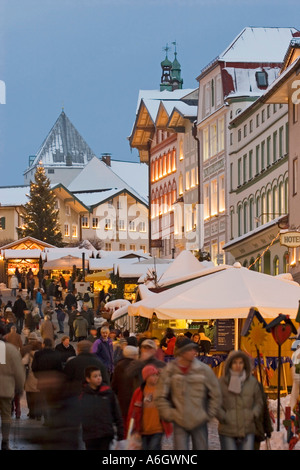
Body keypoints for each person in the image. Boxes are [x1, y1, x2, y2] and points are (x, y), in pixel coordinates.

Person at [154, 337, 221, 450]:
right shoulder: (170, 370)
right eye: (190, 350)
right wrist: (169, 413)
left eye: (194, 349)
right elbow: (160, 395)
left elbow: (215, 393)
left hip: (199, 419)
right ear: (182, 352)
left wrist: (208, 414)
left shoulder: (203, 369)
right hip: (179, 420)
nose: (194, 352)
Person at [217, 349, 264, 451]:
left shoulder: (252, 382)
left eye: (240, 362)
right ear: (229, 364)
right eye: (234, 362)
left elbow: (259, 401)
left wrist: (253, 414)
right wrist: (223, 416)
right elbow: (215, 403)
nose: (238, 365)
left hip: (247, 429)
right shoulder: (222, 383)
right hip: (227, 430)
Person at [127, 364, 173, 450]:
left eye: (156, 375)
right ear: (146, 377)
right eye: (153, 375)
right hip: (143, 429)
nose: (155, 377)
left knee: (154, 447)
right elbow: (132, 411)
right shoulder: (139, 392)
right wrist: (132, 429)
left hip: (158, 428)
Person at [79, 365, 124, 450]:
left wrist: (120, 432)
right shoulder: (83, 396)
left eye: (99, 375)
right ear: (88, 379)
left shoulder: (108, 393)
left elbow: (116, 413)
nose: (99, 378)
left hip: (105, 434)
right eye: (95, 376)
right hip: (90, 436)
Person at [0, 325, 26, 450]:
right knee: (6, 416)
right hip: (6, 388)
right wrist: (20, 388)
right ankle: (5, 441)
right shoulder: (11, 350)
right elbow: (19, 372)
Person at [31, 338, 65, 426]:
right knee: (53, 401)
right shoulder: (57, 354)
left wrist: (38, 377)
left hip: (42, 381)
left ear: (43, 344)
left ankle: (47, 419)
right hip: (53, 381)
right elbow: (60, 368)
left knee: (44, 401)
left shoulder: (38, 354)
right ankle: (53, 419)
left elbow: (34, 367)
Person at [111, 345, 139, 427]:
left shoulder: (119, 365)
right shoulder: (138, 365)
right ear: (134, 355)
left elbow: (114, 383)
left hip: (123, 397)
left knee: (124, 420)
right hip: (135, 397)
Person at [21, 332, 43, 420]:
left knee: (30, 395)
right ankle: (39, 413)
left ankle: (31, 412)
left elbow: (22, 362)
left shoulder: (27, 351)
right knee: (39, 397)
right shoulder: (42, 352)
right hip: (40, 377)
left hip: (30, 376)